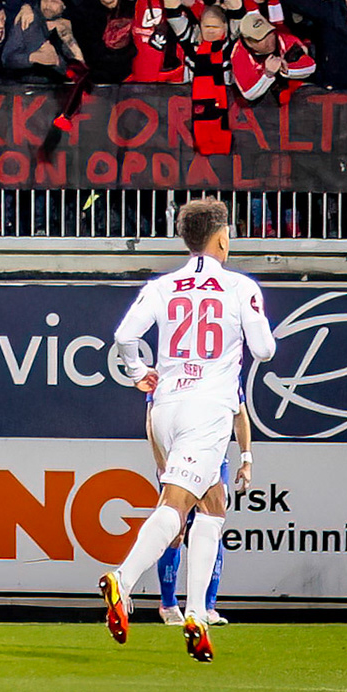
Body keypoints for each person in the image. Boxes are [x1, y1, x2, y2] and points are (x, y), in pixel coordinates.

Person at [101, 199, 275, 662]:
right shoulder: (240, 286)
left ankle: (196, 613)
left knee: (213, 505)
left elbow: (124, 337)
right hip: (207, 409)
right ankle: (122, 578)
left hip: (165, 406)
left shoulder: (162, 286)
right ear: (222, 238)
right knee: (176, 506)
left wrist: (138, 371)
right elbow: (264, 349)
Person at [153, 402, 249, 626]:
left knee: (211, 527)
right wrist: (162, 462)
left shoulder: (227, 379)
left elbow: (240, 413)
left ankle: (207, 606)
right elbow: (152, 419)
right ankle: (168, 605)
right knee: (175, 531)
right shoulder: (169, 380)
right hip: (180, 458)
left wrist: (247, 460)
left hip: (214, 459)